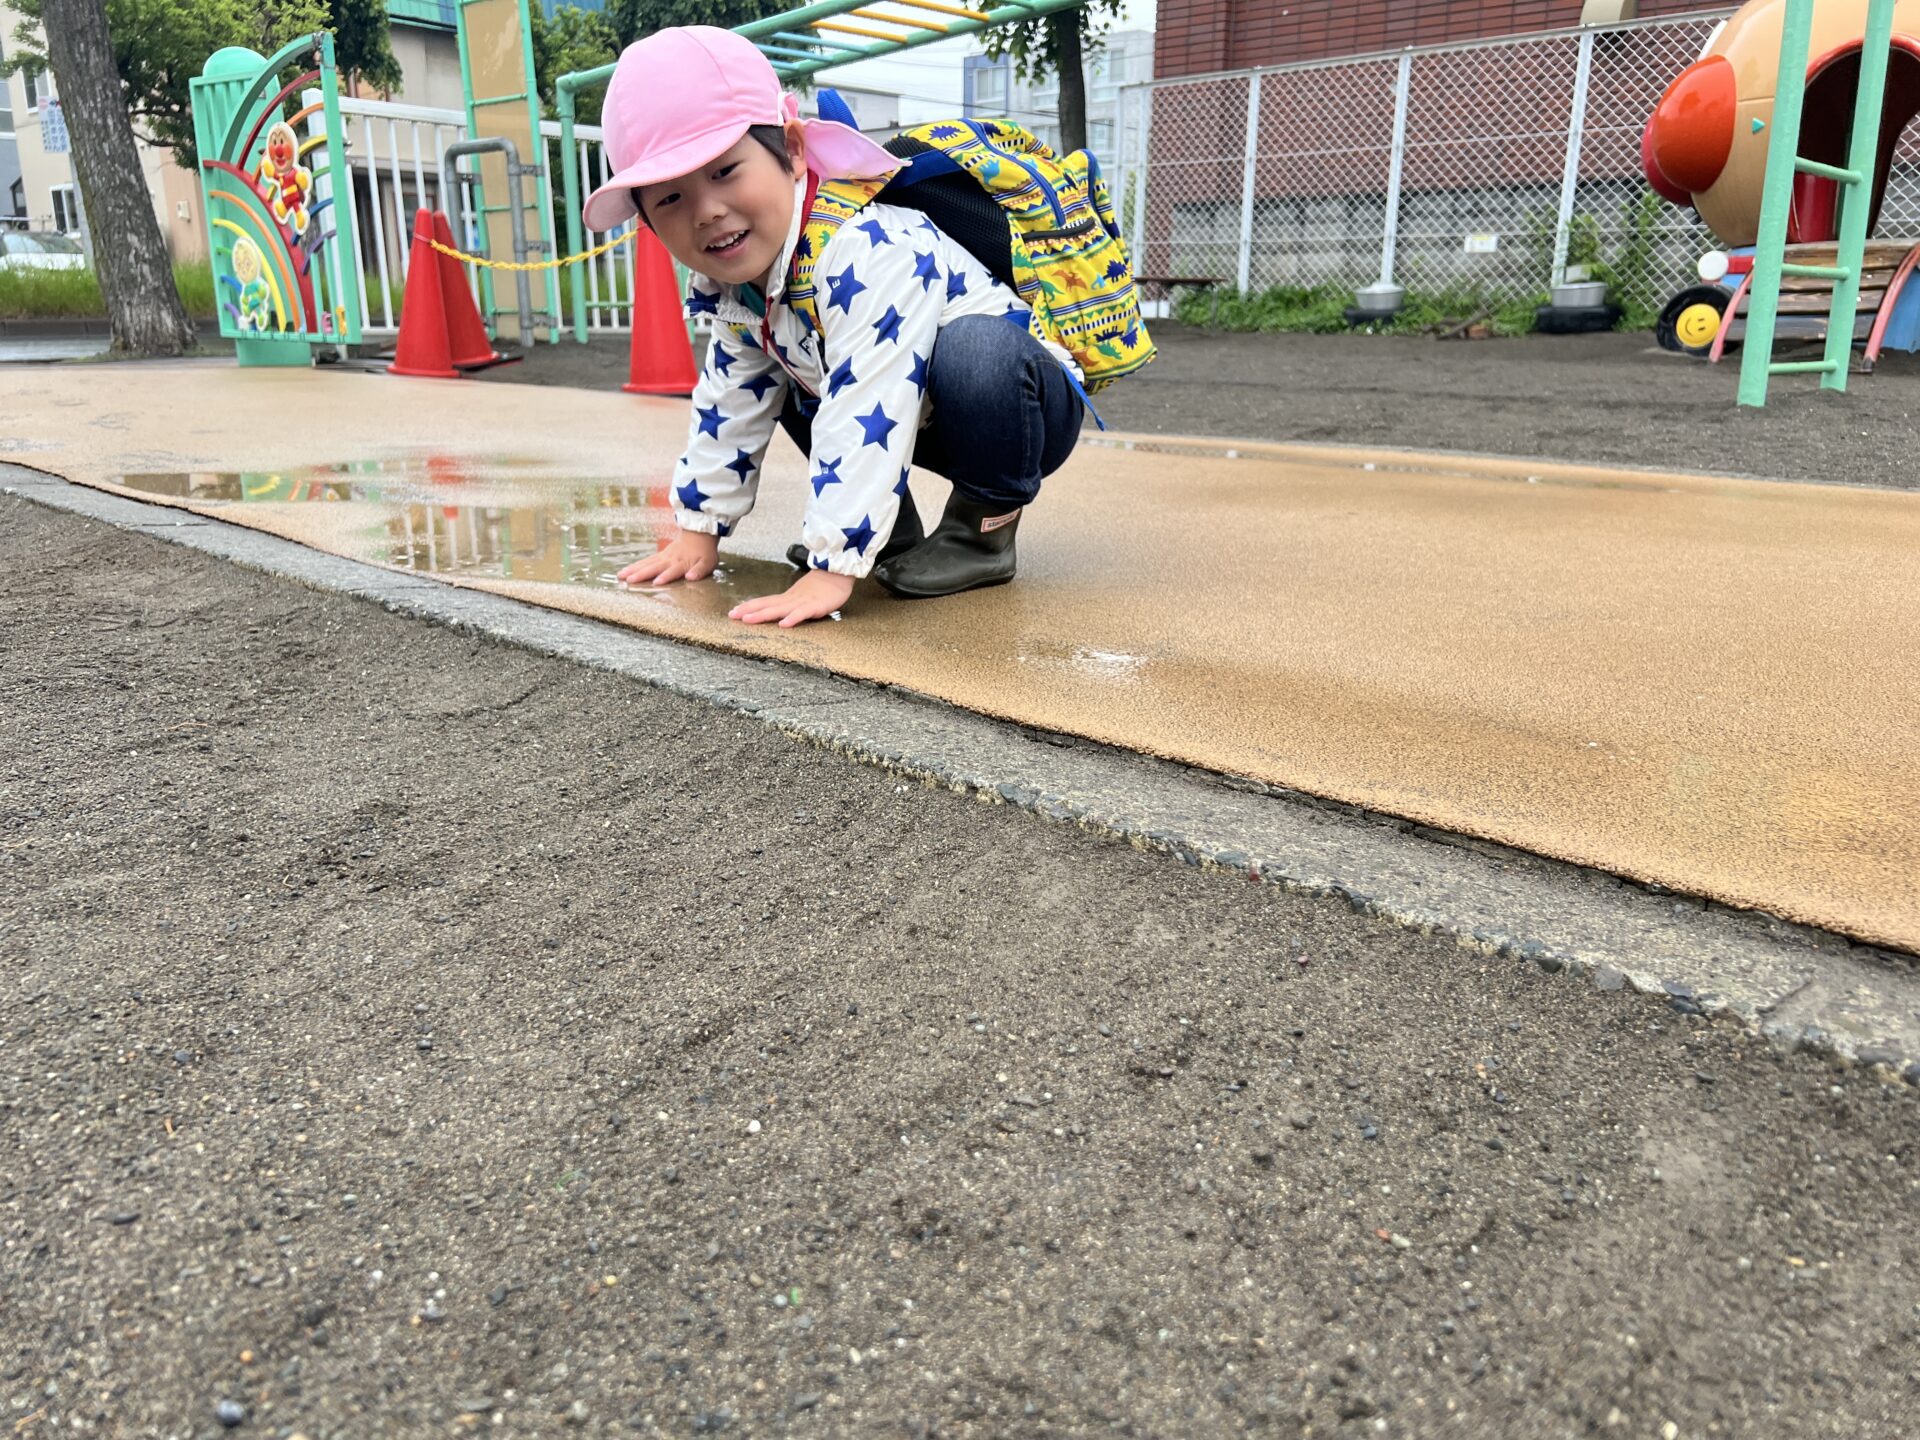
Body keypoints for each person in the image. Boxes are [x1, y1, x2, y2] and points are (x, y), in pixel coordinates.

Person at [584, 25, 1087, 628]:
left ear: (793, 150)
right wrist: (698, 531)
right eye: (669, 199)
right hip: (921, 411)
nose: (708, 211)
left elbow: (869, 394)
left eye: (724, 172)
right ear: (646, 222)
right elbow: (729, 402)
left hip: (1019, 409)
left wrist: (832, 563)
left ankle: (982, 532)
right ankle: (891, 535)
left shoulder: (865, 248)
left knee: (976, 351)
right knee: (782, 371)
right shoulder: (735, 287)